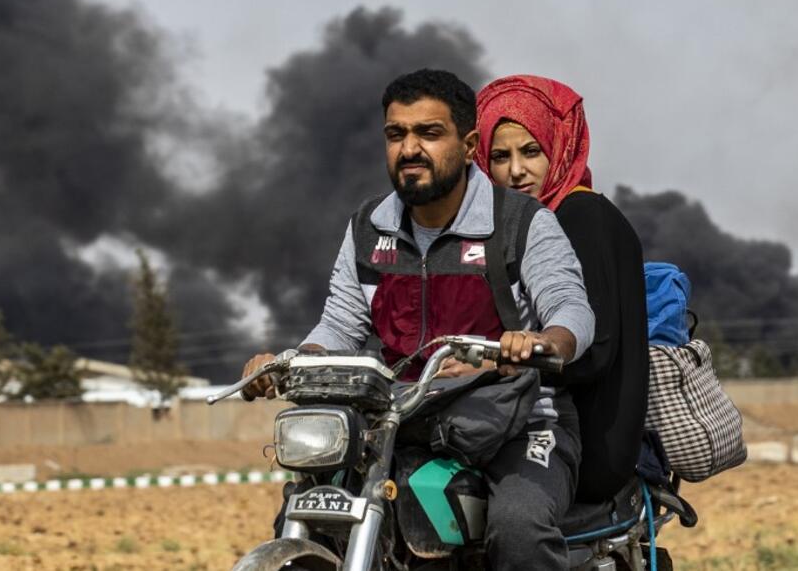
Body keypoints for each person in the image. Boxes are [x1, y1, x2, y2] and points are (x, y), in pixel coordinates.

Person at [241, 68, 595, 569]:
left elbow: (570, 307)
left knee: (519, 527)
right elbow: (339, 326)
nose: (410, 149)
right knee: (310, 511)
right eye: (396, 134)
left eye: (429, 133)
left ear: (469, 144)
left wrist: (544, 342)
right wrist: (291, 361)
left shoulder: (521, 222)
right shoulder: (368, 229)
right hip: (401, 420)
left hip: (521, 423)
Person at [474, 74, 649, 504]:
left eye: (531, 151)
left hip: (586, 446)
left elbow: (593, 354)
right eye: (500, 156)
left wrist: (494, 363)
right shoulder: (515, 225)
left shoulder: (579, 215)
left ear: (559, 146)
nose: (516, 171)